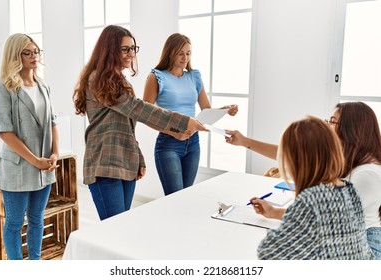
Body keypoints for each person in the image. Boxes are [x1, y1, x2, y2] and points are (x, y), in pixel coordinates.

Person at [73, 26, 206, 221]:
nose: (131, 54)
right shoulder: (98, 79)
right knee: (114, 227)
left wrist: (139, 158)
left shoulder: (119, 80)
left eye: (133, 48)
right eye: (125, 49)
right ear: (109, 49)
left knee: (123, 223)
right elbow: (138, 109)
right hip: (104, 163)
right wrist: (183, 121)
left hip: (125, 161)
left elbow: (126, 125)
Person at [225, 101, 381, 259]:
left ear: (353, 129)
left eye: (332, 122)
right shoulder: (345, 159)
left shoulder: (367, 175)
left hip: (368, 247)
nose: (327, 126)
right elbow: (289, 153)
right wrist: (244, 141)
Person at [143, 33, 238, 195]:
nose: (185, 57)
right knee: (174, 198)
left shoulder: (194, 77)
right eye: (180, 53)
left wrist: (226, 109)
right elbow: (144, 114)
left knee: (186, 196)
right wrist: (173, 131)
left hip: (193, 144)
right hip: (169, 144)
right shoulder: (157, 77)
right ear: (170, 52)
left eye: (188, 53)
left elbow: (206, 110)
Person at [0, 34, 59, 260]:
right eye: (27, 52)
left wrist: (55, 153)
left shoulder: (43, 86)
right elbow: (5, 133)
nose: (34, 56)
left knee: (37, 219)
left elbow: (52, 122)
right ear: (15, 55)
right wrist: (35, 161)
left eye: (36, 51)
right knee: (14, 222)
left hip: (45, 166)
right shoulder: (3, 88)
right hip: (18, 166)